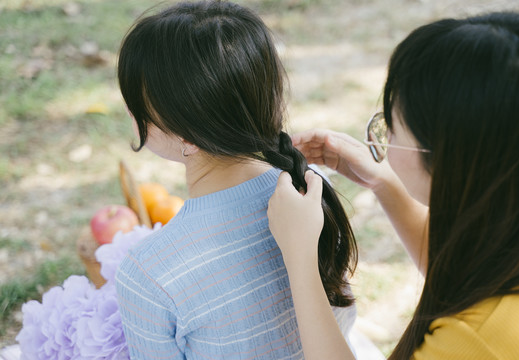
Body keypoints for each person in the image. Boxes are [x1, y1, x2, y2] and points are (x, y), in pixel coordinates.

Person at [268, 11, 519, 360]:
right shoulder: (517, 237)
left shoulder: (476, 343)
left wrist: (299, 255)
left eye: (390, 129)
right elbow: (472, 272)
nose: (384, 141)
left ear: (449, 161)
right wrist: (385, 183)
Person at [114, 1, 362, 359]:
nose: (127, 107)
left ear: (186, 136)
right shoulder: (307, 190)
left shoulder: (148, 274)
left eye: (134, 98)